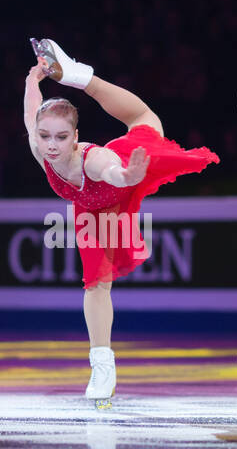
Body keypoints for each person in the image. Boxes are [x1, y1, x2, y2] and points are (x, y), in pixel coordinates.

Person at [23, 39, 221, 406]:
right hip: (91, 211)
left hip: (125, 166)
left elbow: (111, 172)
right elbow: (31, 111)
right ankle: (102, 366)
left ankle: (80, 76)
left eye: (62, 137)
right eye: (45, 135)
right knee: (95, 284)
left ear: (77, 137)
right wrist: (33, 80)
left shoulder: (93, 158)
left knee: (146, 120)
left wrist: (128, 177)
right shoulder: (39, 146)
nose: (51, 145)